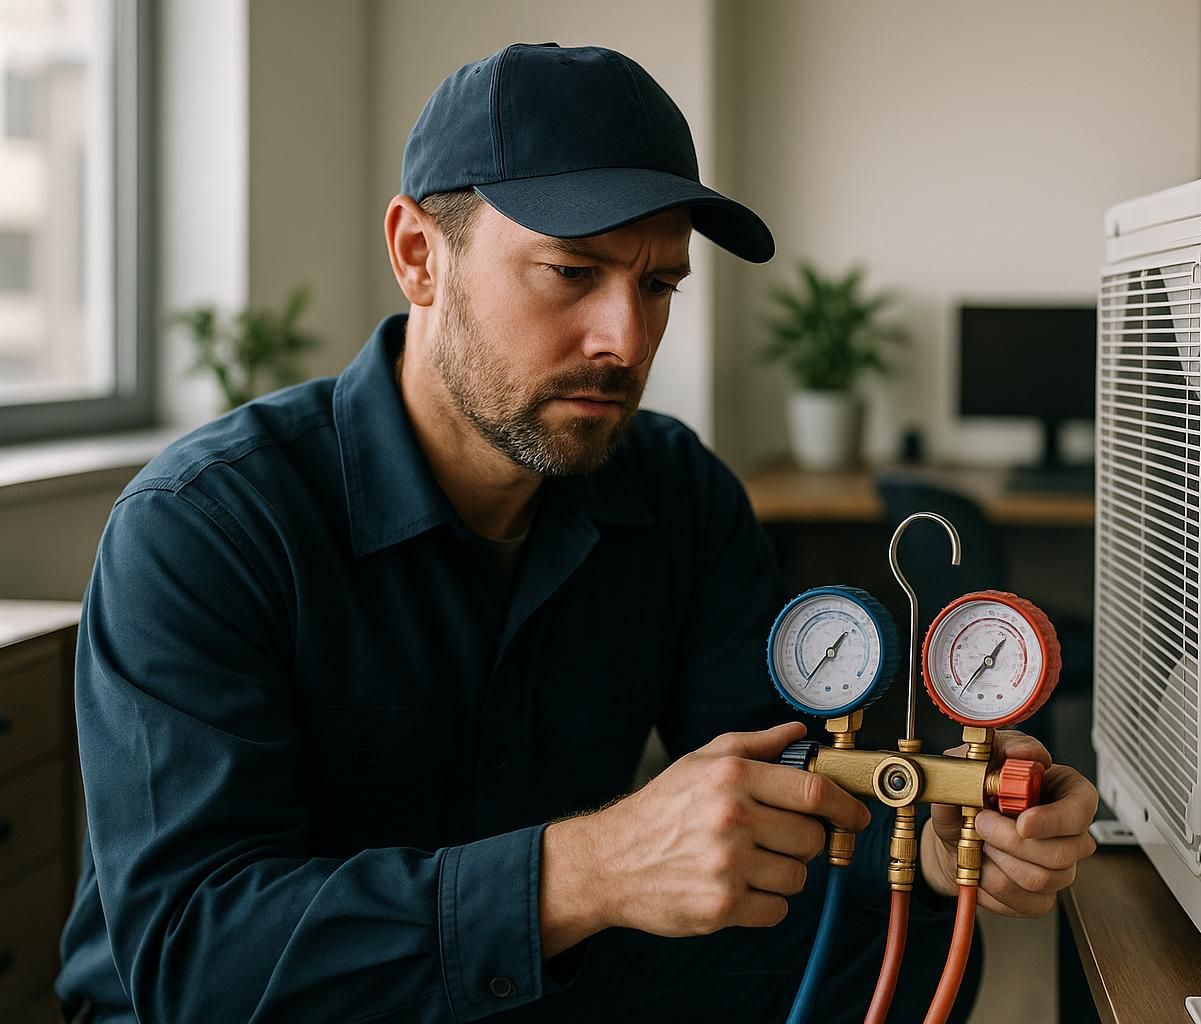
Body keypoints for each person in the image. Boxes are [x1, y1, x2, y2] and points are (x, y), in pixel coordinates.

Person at [55, 43, 1097, 1023]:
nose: (626, 339)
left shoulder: (674, 489)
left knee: (894, 949)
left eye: (658, 285)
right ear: (419, 254)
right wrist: (585, 872)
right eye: (571, 273)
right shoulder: (206, 528)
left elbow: (805, 774)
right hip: (285, 999)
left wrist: (947, 818)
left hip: (538, 978)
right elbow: (193, 953)